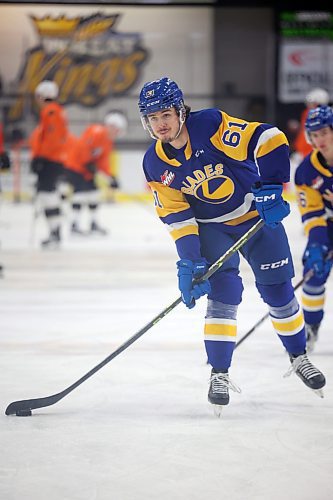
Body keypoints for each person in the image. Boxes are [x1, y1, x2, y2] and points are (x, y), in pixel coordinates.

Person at [138, 76, 326, 412]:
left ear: (181, 111)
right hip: (212, 229)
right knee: (223, 295)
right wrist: (189, 261)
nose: (160, 124)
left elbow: (269, 138)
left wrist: (271, 185)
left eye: (165, 115)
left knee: (278, 292)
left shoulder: (210, 125)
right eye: (152, 118)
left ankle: (298, 357)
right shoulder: (154, 163)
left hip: (256, 217)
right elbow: (178, 218)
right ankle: (219, 373)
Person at [294, 105, 333, 353]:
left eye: (324, 133)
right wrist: (318, 244)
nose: (319, 140)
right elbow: (312, 213)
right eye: (314, 135)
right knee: (312, 270)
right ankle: (311, 325)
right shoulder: (306, 171)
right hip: (327, 226)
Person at [64, 111, 127, 235]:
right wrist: (87, 161)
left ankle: (93, 224)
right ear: (112, 126)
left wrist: (110, 178)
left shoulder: (108, 141)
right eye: (117, 130)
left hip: (86, 170)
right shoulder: (96, 132)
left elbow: (103, 162)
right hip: (75, 167)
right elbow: (83, 147)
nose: (118, 133)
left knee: (94, 194)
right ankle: (74, 225)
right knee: (80, 195)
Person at [30, 80, 69, 248]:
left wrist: (41, 157)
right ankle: (54, 232)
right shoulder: (55, 111)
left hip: (50, 160)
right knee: (48, 196)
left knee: (48, 196)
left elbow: (51, 139)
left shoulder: (51, 111)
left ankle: (55, 233)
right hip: (52, 159)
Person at [291, 88, 330, 162]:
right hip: (303, 151)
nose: (309, 105)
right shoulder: (307, 113)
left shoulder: (324, 115)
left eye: (313, 103)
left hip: (314, 152)